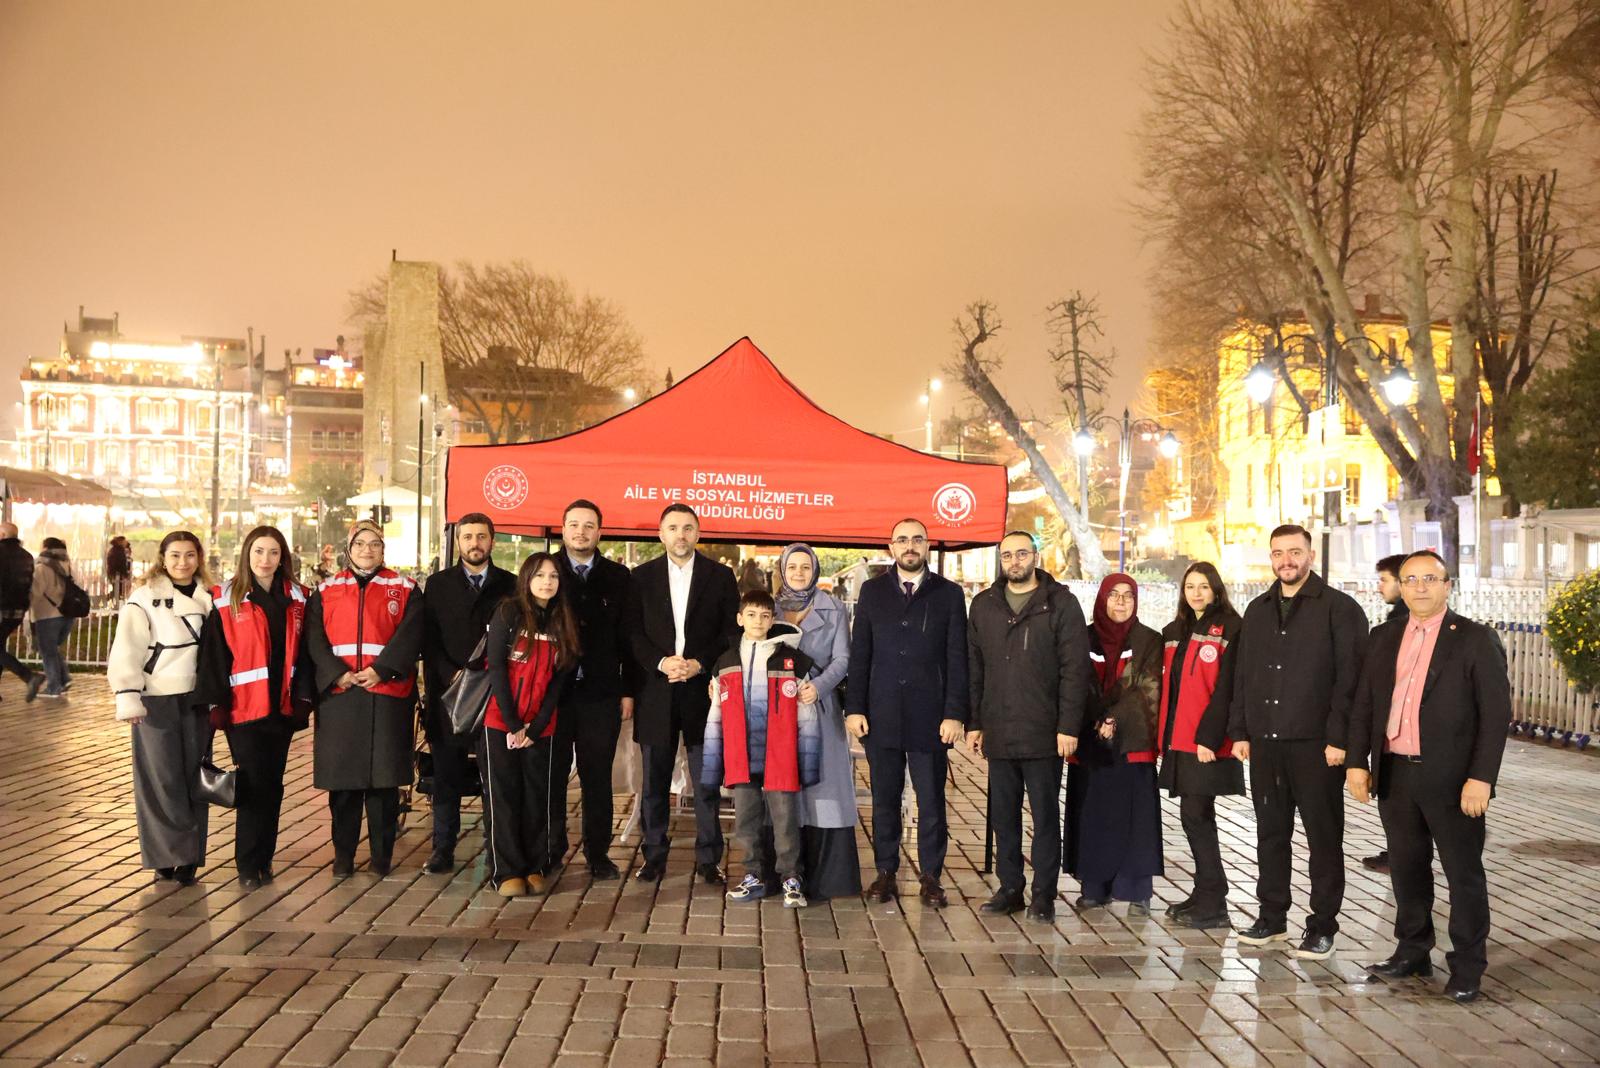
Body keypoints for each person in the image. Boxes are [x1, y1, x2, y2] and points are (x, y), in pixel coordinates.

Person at [1347, 550, 1512, 1004]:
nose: (1419, 587)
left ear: (1446, 585)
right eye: (1410, 579)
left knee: (1463, 874)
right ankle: (1413, 950)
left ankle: (1467, 967)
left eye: (1429, 579)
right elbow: (1365, 702)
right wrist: (1358, 763)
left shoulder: (1475, 639)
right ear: (1401, 585)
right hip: (1396, 774)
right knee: (1407, 869)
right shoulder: (1384, 637)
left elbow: (1496, 715)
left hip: (1454, 781)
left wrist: (1481, 778)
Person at [1228, 524, 1368, 959]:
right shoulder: (1257, 610)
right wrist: (1239, 730)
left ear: (1310, 555)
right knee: (1271, 834)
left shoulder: (1339, 610)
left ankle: (1322, 925)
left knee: (1323, 838)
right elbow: (1242, 674)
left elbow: (1352, 680)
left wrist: (1339, 738)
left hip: (1317, 747)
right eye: (1278, 553)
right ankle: (1272, 917)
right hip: (1267, 744)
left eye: (1294, 552)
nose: (1286, 561)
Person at [966, 531, 1090, 922]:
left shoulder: (1061, 605)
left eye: (1022, 553)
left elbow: (1076, 670)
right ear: (1001, 561)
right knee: (1003, 816)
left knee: (1044, 818)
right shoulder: (984, 605)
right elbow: (975, 669)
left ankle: (1043, 895)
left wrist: (1068, 726)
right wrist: (975, 723)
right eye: (1007, 555)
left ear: (1036, 556)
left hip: (1044, 732)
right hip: (1000, 731)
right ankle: (1010, 888)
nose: (1015, 561)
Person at [845, 517, 969, 908]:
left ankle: (931, 876)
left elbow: (957, 657)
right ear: (891, 546)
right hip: (880, 714)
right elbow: (860, 652)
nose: (910, 546)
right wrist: (855, 707)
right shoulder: (872, 591)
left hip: (930, 717)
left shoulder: (949, 594)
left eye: (917, 539)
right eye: (902, 540)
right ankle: (886, 873)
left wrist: (954, 713)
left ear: (927, 544)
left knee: (931, 800)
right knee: (884, 799)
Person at [304, 520, 424, 878]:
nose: (367, 550)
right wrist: (336, 673)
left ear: (383, 549)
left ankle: (381, 858)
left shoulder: (404, 588)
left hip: (386, 695)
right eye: (360, 544)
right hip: (342, 696)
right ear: (349, 549)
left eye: (374, 544)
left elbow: (412, 633)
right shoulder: (325, 590)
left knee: (384, 785)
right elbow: (313, 639)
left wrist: (382, 669)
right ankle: (343, 857)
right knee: (344, 786)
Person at [628, 503, 740, 884]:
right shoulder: (639, 577)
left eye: (688, 528)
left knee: (706, 783)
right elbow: (632, 635)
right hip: (655, 692)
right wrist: (661, 662)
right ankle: (654, 857)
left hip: (702, 693)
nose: (681, 534)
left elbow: (730, 634)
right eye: (673, 527)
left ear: (698, 533)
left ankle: (710, 860)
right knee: (654, 785)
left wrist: (698, 664)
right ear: (660, 534)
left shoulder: (720, 577)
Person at [192, 526, 307, 890]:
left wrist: (303, 701)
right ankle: (246, 863)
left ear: (282, 557)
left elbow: (304, 654)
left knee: (274, 785)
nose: (265, 560)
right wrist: (217, 707)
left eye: (273, 553)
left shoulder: (299, 597)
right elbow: (213, 656)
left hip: (282, 710)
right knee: (253, 783)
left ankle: (264, 859)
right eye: (259, 552)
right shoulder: (226, 599)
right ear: (247, 554)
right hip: (244, 711)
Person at [108, 530, 215, 885]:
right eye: (175, 556)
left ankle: (189, 856)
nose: (182, 562)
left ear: (199, 557)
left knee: (194, 778)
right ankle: (166, 854)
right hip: (155, 698)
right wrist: (128, 694)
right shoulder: (144, 598)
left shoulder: (212, 598)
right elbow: (127, 648)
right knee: (161, 780)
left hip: (197, 699)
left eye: (189, 555)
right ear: (163, 558)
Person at [703, 588, 819, 907]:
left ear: (773, 621)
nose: (758, 621)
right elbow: (715, 715)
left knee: (784, 820)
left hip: (780, 755)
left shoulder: (791, 661)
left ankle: (791, 879)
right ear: (740, 619)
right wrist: (715, 763)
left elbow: (807, 714)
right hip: (742, 756)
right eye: (751, 615)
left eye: (765, 615)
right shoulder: (725, 663)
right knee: (746, 821)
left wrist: (807, 762)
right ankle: (753, 875)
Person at [420, 513, 516, 873]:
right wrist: (452, 674)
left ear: (493, 541)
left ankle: (497, 851)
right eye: (468, 537)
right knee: (447, 778)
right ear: (457, 542)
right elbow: (428, 640)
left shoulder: (511, 584)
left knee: (496, 779)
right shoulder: (438, 585)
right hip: (450, 697)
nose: (474, 543)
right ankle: (442, 848)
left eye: (481, 536)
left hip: (495, 696)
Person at [480, 552, 580, 896]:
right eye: (540, 576)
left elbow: (559, 681)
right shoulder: (509, 612)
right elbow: (496, 669)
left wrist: (535, 728)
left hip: (542, 727)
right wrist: (513, 725)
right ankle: (506, 871)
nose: (547, 582)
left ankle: (535, 865)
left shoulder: (563, 620)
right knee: (504, 798)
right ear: (526, 579)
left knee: (538, 797)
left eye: (553, 576)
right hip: (501, 723)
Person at [1065, 573, 1164, 914]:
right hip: (1091, 740)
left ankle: (1135, 888)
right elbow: (1075, 681)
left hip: (1131, 740)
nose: (1120, 602)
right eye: (1114, 595)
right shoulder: (1082, 637)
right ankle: (1095, 886)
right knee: (1093, 813)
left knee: (1134, 816)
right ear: (1102, 599)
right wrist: (1096, 719)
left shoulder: (1150, 639)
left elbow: (1147, 686)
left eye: (1127, 596)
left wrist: (1115, 718)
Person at [551, 500, 638, 881]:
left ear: (600, 532)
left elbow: (630, 639)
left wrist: (629, 690)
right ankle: (551, 849)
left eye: (589, 526)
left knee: (596, 776)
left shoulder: (619, 577)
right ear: (563, 529)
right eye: (574, 525)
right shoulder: (545, 570)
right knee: (551, 774)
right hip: (553, 692)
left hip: (602, 694)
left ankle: (597, 853)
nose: (581, 532)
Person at [1157, 562, 1245, 931]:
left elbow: (1229, 687)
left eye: (1204, 587)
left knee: (1198, 817)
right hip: (1178, 739)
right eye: (1190, 586)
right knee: (1193, 819)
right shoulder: (1175, 630)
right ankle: (1206, 891)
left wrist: (1210, 736)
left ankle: (1214, 902)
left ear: (1216, 590)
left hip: (1205, 742)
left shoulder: (1229, 627)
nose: (1196, 593)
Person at [776, 543, 859, 902]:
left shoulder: (834, 607)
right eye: (792, 566)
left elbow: (843, 658)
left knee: (824, 787)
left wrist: (819, 686)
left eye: (804, 567)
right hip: (776, 712)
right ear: (782, 570)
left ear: (815, 571)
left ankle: (828, 877)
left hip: (820, 709)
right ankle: (783, 871)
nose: (798, 572)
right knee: (781, 790)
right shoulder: (769, 607)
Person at [1362, 552, 1410, 874]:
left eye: (1384, 580)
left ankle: (1401, 855)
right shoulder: (1391, 624)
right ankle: (1399, 851)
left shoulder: (1400, 624)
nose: (1379, 587)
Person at [0, 523, 44, 701]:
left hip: (2, 607)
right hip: (18, 608)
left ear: (3, 534)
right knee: (0, 647)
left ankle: (29, 676)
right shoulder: (26, 556)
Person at [30, 537, 76, 698]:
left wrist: (28, 611)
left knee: (47, 651)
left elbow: (35, 593)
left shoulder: (41, 567)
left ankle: (53, 687)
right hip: (67, 614)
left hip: (47, 615)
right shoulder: (68, 565)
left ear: (46, 548)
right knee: (52, 649)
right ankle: (64, 679)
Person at [106, 535, 133, 605]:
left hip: (113, 573)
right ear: (120, 542)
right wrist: (125, 574)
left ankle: (112, 603)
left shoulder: (114, 549)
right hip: (117, 574)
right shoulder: (119, 551)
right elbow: (121, 563)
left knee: (116, 590)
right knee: (118, 591)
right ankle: (108, 600)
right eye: (124, 541)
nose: (126, 543)